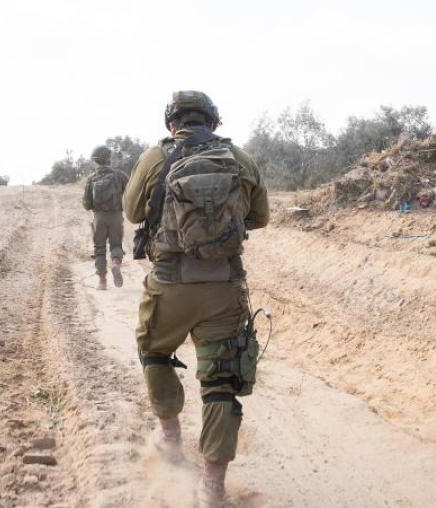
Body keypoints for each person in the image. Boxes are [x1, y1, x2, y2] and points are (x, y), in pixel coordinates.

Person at [123, 90, 269, 507]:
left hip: (170, 284)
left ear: (171, 123)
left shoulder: (155, 157)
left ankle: (169, 436)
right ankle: (212, 488)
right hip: (224, 287)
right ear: (213, 121)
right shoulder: (239, 157)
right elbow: (260, 217)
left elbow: (132, 212)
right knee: (221, 384)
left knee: (154, 350)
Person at [82, 145, 128, 290]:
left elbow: (87, 204)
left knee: (99, 249)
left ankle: (102, 282)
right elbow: (129, 195)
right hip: (116, 216)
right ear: (109, 158)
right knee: (116, 245)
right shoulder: (120, 176)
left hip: (99, 218)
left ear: (95, 160)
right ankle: (115, 264)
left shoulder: (91, 178)